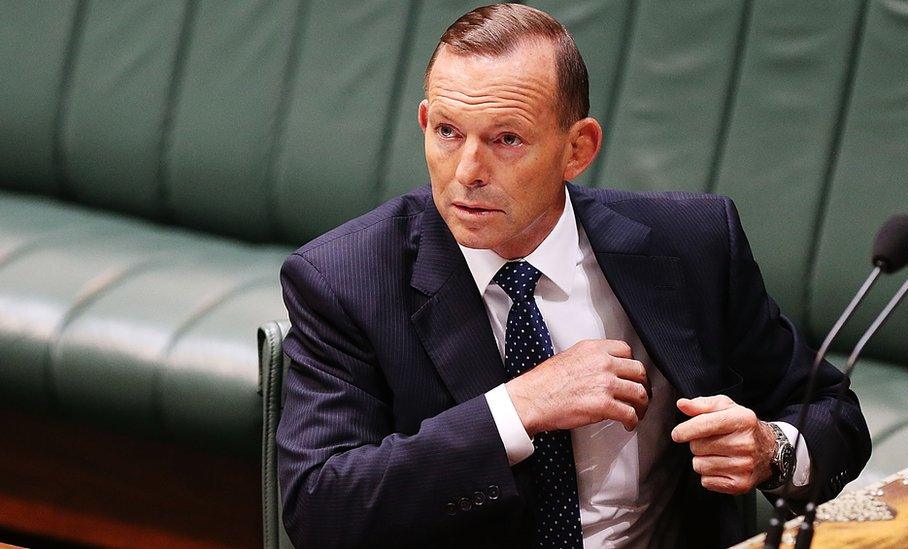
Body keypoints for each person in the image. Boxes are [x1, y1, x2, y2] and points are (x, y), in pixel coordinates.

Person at [276, 4, 871, 548]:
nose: (467, 171)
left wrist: (771, 450)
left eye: (506, 139)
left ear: (578, 148)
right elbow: (320, 508)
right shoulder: (345, 279)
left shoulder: (691, 245)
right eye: (448, 132)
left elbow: (830, 413)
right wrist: (515, 408)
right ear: (426, 120)